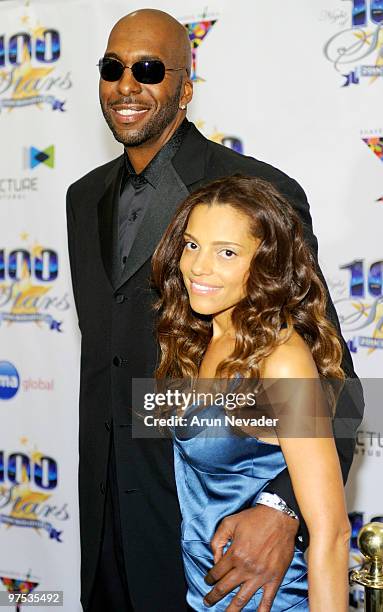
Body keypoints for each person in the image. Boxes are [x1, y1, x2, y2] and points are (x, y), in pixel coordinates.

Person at [66, 7, 362, 612]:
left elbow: (338, 388)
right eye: (112, 67)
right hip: (105, 529)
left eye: (149, 68)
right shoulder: (82, 198)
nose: (128, 84)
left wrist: (282, 508)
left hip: (216, 543)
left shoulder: (252, 192)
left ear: (185, 89)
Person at [151, 175, 351, 611]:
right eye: (191, 245)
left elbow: (332, 533)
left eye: (227, 252)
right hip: (207, 596)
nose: (199, 267)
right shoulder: (200, 335)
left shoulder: (280, 362)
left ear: (266, 264)